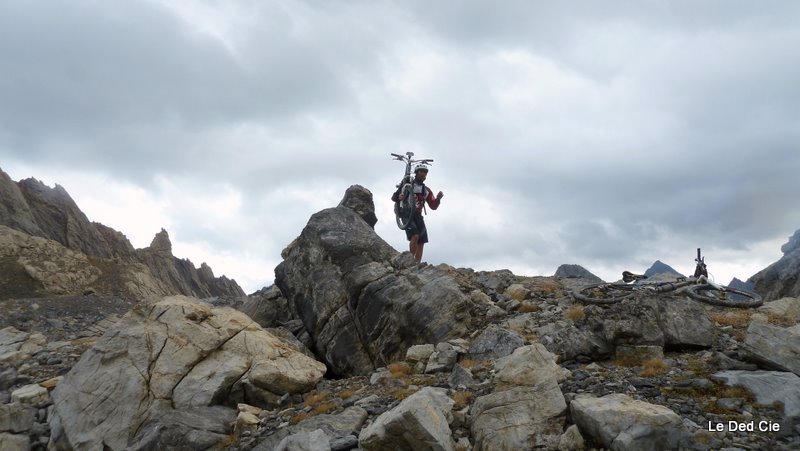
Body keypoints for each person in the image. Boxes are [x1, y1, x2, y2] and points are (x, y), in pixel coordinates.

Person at [392, 164, 444, 262]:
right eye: (421, 172)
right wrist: (400, 197)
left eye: (425, 172)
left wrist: (438, 198)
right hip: (406, 213)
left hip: (418, 215)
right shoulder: (407, 185)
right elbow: (394, 197)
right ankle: (410, 261)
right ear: (416, 173)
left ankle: (417, 264)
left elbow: (433, 206)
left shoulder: (426, 190)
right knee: (415, 235)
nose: (423, 174)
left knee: (422, 240)